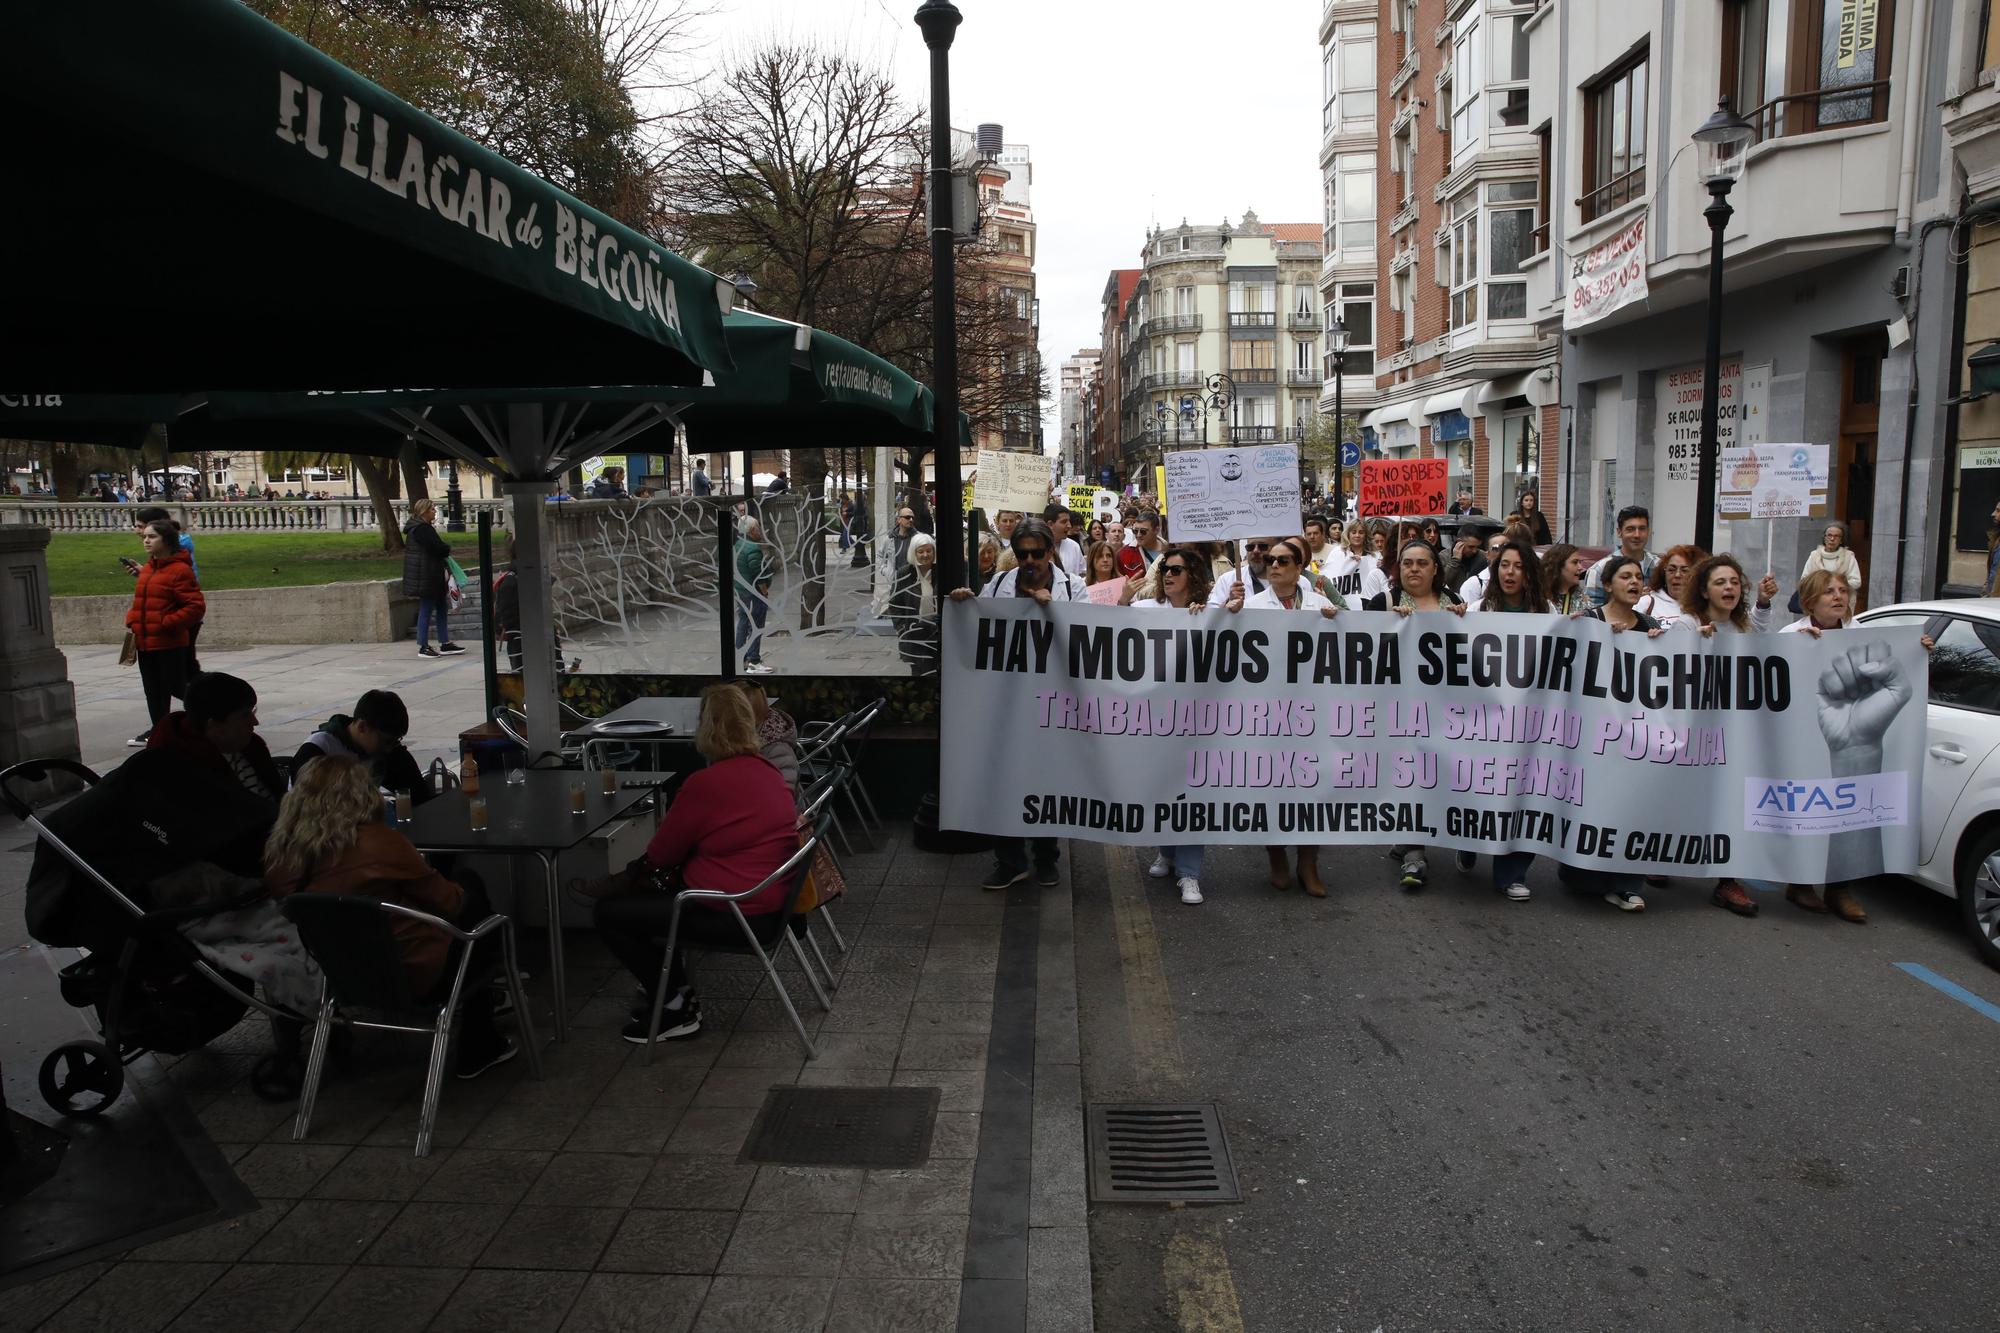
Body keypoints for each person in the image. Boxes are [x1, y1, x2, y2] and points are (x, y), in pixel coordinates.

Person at [264, 754, 515, 1077]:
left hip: (340, 978)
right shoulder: (377, 843)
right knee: (478, 913)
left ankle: (483, 1025)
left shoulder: (280, 856)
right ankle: (478, 1044)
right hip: (416, 975)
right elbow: (452, 905)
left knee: (466, 911)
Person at [587, 686, 799, 1042]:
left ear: (706, 727)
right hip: (769, 901)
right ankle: (676, 995)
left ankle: (673, 1006)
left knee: (611, 914)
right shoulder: (766, 770)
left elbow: (662, 855)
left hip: (735, 912)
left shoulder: (706, 783)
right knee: (650, 903)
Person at [1229, 537, 1339, 898]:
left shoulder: (1321, 604)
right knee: (1271, 787)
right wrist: (1227, 613)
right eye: (1271, 560)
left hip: (1313, 714)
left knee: (1313, 788)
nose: (1273, 565)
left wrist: (1339, 622)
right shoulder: (1251, 606)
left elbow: (1355, 641)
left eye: (1283, 560)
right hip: (1268, 715)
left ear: (1298, 566)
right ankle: (1276, 855)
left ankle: (1308, 863)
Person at [1133, 547, 1214, 905]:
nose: (1168, 575)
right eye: (1166, 569)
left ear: (1193, 577)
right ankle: (1167, 851)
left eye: (1177, 570)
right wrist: (1120, 603)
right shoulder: (1144, 611)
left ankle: (1190, 873)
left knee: (1194, 794)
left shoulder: (1209, 616)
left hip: (1200, 723)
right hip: (1157, 720)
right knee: (1164, 789)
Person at [1388, 540, 1466, 891]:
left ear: (1436, 568)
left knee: (1450, 773)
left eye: (1422, 563)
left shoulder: (1457, 606)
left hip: (1449, 708)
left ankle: (1461, 835)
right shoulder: (1383, 603)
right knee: (1412, 777)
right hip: (1402, 709)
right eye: (1407, 563)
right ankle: (1415, 852)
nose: (1414, 569)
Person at [126, 519, 205, 746]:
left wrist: (167, 623)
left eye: (152, 537)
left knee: (177, 687)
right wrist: (132, 619)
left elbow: (195, 606)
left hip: (169, 644)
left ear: (167, 541)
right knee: (153, 692)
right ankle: (161, 735)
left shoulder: (180, 570)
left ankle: (212, 715)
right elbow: (143, 601)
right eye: (145, 537)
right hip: (145, 643)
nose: (146, 541)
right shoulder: (149, 568)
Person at [293, 689, 432, 803]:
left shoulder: (385, 752)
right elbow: (307, 809)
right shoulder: (318, 751)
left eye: (395, 741)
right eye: (386, 741)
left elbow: (417, 795)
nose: (389, 748)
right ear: (362, 727)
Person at [958, 516, 1085, 604]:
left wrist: (1052, 609)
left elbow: (1082, 634)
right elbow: (978, 624)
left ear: (1050, 552)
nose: (1029, 560)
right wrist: (962, 606)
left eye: (1037, 553)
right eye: (1022, 554)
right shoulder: (997, 584)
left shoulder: (1074, 587)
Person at [491, 536, 565, 674]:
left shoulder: (517, 578)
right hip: (526, 639)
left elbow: (503, 615)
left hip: (526, 639)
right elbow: (506, 615)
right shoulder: (516, 580)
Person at [402, 498, 462, 658]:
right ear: (424, 511)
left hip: (431, 574)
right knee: (426, 609)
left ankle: (445, 642)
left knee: (441, 607)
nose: (435, 512)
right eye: (432, 509)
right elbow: (438, 548)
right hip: (427, 576)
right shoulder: (422, 529)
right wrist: (446, 548)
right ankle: (423, 646)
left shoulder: (419, 528)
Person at [1585, 506, 1658, 607]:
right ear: (1619, 532)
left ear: (1648, 532)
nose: (1637, 535)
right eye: (1630, 529)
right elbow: (1591, 614)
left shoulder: (1660, 566)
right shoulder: (1599, 570)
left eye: (1642, 529)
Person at [891, 532, 942, 676]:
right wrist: (902, 629)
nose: (925, 555)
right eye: (921, 551)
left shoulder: (941, 572)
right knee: (919, 672)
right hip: (914, 634)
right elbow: (895, 604)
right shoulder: (904, 574)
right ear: (914, 553)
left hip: (937, 633)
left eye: (929, 550)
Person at [1586, 554, 1667, 639]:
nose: (1635, 581)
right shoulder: (1588, 619)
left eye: (1639, 578)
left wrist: (1658, 642)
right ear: (1608, 586)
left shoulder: (1650, 624)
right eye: (1625, 577)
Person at [735, 515, 776, 676]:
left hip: (741, 591)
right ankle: (754, 660)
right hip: (753, 592)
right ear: (752, 530)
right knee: (756, 626)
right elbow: (757, 572)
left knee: (743, 623)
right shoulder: (751, 548)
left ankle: (741, 657)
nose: (760, 531)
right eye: (758, 528)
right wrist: (764, 589)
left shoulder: (738, 545)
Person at [1636, 544, 1706, 625]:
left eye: (1684, 570)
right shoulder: (1646, 603)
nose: (1677, 575)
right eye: (1671, 570)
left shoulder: (1705, 607)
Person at [1476, 539, 1549, 614]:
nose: (1510, 571)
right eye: (1504, 565)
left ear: (1529, 573)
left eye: (1518, 566)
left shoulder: (1545, 608)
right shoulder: (1480, 609)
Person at [1799, 521, 1863, 603]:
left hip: (1841, 602)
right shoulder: (1814, 555)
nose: (1832, 539)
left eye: (1836, 536)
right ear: (1824, 538)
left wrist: (1835, 587)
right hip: (1818, 601)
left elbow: (1856, 582)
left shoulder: (1849, 556)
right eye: (1829, 535)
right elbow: (1804, 580)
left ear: (1841, 540)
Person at [1541, 543, 1592, 616]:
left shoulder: (1583, 599)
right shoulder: (1539, 598)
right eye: (1575, 562)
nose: (1580, 567)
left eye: (1580, 562)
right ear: (1558, 566)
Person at [1044, 504, 1086, 578]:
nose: (1069, 526)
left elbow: (1083, 573)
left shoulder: (1074, 546)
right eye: (1064, 522)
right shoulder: (1038, 547)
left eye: (1069, 521)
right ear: (1050, 524)